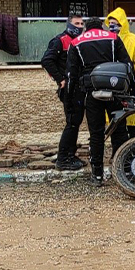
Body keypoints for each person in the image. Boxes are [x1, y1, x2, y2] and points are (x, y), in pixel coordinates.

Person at [67, 19, 133, 186]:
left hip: (92, 92)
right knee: (119, 131)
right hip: (115, 90)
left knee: (96, 134)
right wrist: (132, 90)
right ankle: (124, 172)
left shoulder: (76, 42)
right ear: (101, 27)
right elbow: (127, 64)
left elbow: (71, 74)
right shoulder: (113, 38)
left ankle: (97, 175)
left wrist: (70, 97)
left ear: (86, 28)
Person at [40, 13, 86, 171]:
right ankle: (63, 158)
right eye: (77, 24)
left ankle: (70, 155)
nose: (80, 27)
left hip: (78, 88)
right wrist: (60, 79)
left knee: (76, 122)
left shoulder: (80, 41)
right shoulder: (60, 40)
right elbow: (46, 60)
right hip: (68, 90)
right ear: (69, 24)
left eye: (81, 24)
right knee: (72, 123)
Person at [105, 8, 135, 138]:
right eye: (110, 23)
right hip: (111, 85)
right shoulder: (106, 40)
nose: (112, 26)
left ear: (122, 23)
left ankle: (131, 143)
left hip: (129, 86)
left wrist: (127, 79)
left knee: (131, 117)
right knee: (115, 119)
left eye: (115, 23)